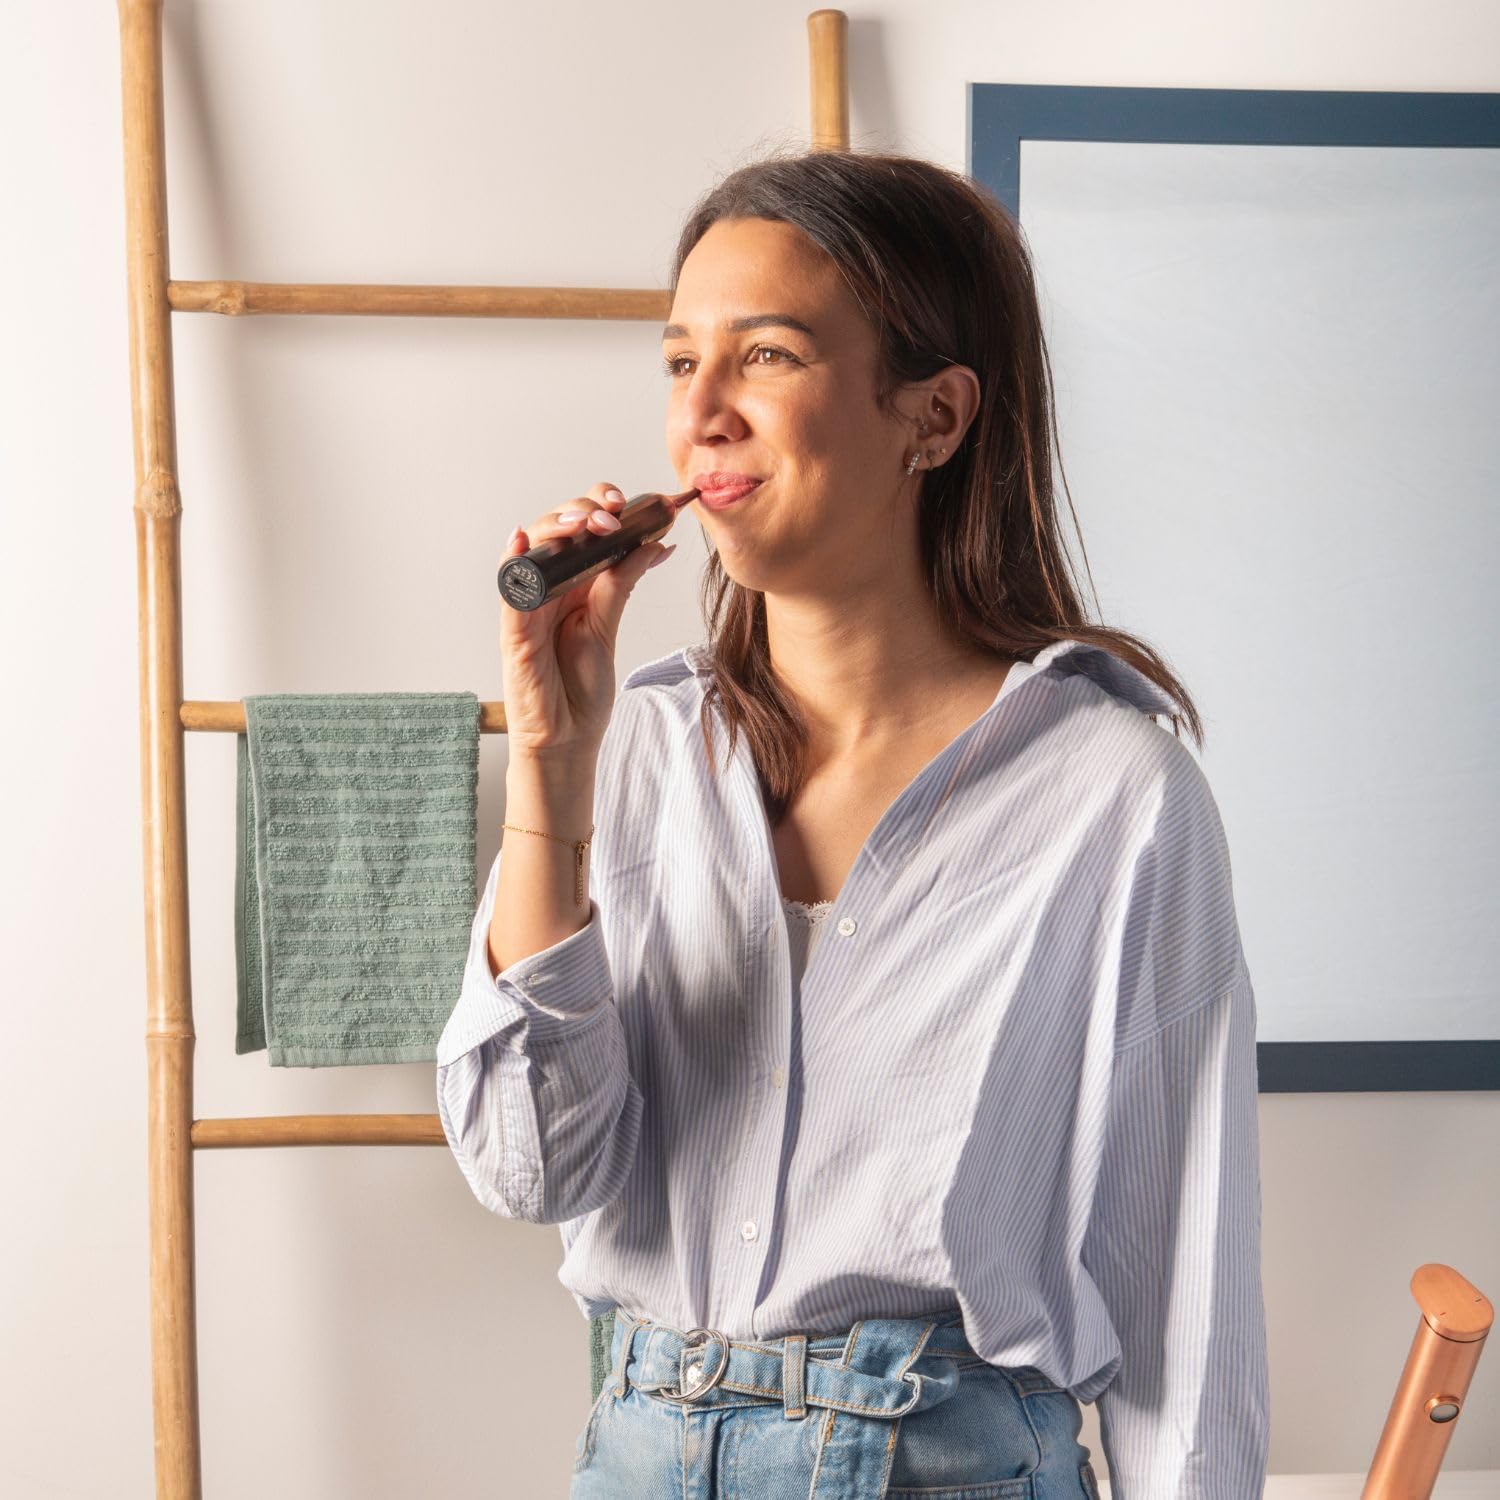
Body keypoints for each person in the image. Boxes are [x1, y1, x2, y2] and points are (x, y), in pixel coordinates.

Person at [436, 147, 1269, 1499]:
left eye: (762, 358)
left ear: (932, 417)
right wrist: (550, 766)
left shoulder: (1116, 795)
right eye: (676, 363)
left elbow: (1180, 1285)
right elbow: (531, 1169)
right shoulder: (637, 751)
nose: (699, 414)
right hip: (642, 1451)